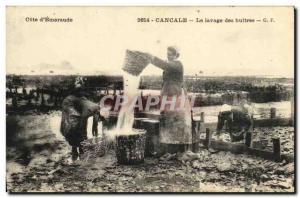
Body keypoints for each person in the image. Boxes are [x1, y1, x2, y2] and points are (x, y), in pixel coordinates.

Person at [145, 46, 192, 154]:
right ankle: (169, 151)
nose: (168, 55)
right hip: (168, 96)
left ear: (176, 55)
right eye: (167, 53)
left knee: (176, 122)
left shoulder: (177, 64)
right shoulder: (170, 66)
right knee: (167, 121)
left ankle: (179, 151)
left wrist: (151, 58)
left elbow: (164, 65)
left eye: (171, 54)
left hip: (175, 97)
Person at [60, 91, 100, 158]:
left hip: (77, 121)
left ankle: (77, 151)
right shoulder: (77, 100)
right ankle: (78, 151)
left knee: (78, 135)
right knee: (79, 135)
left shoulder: (73, 100)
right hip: (78, 121)